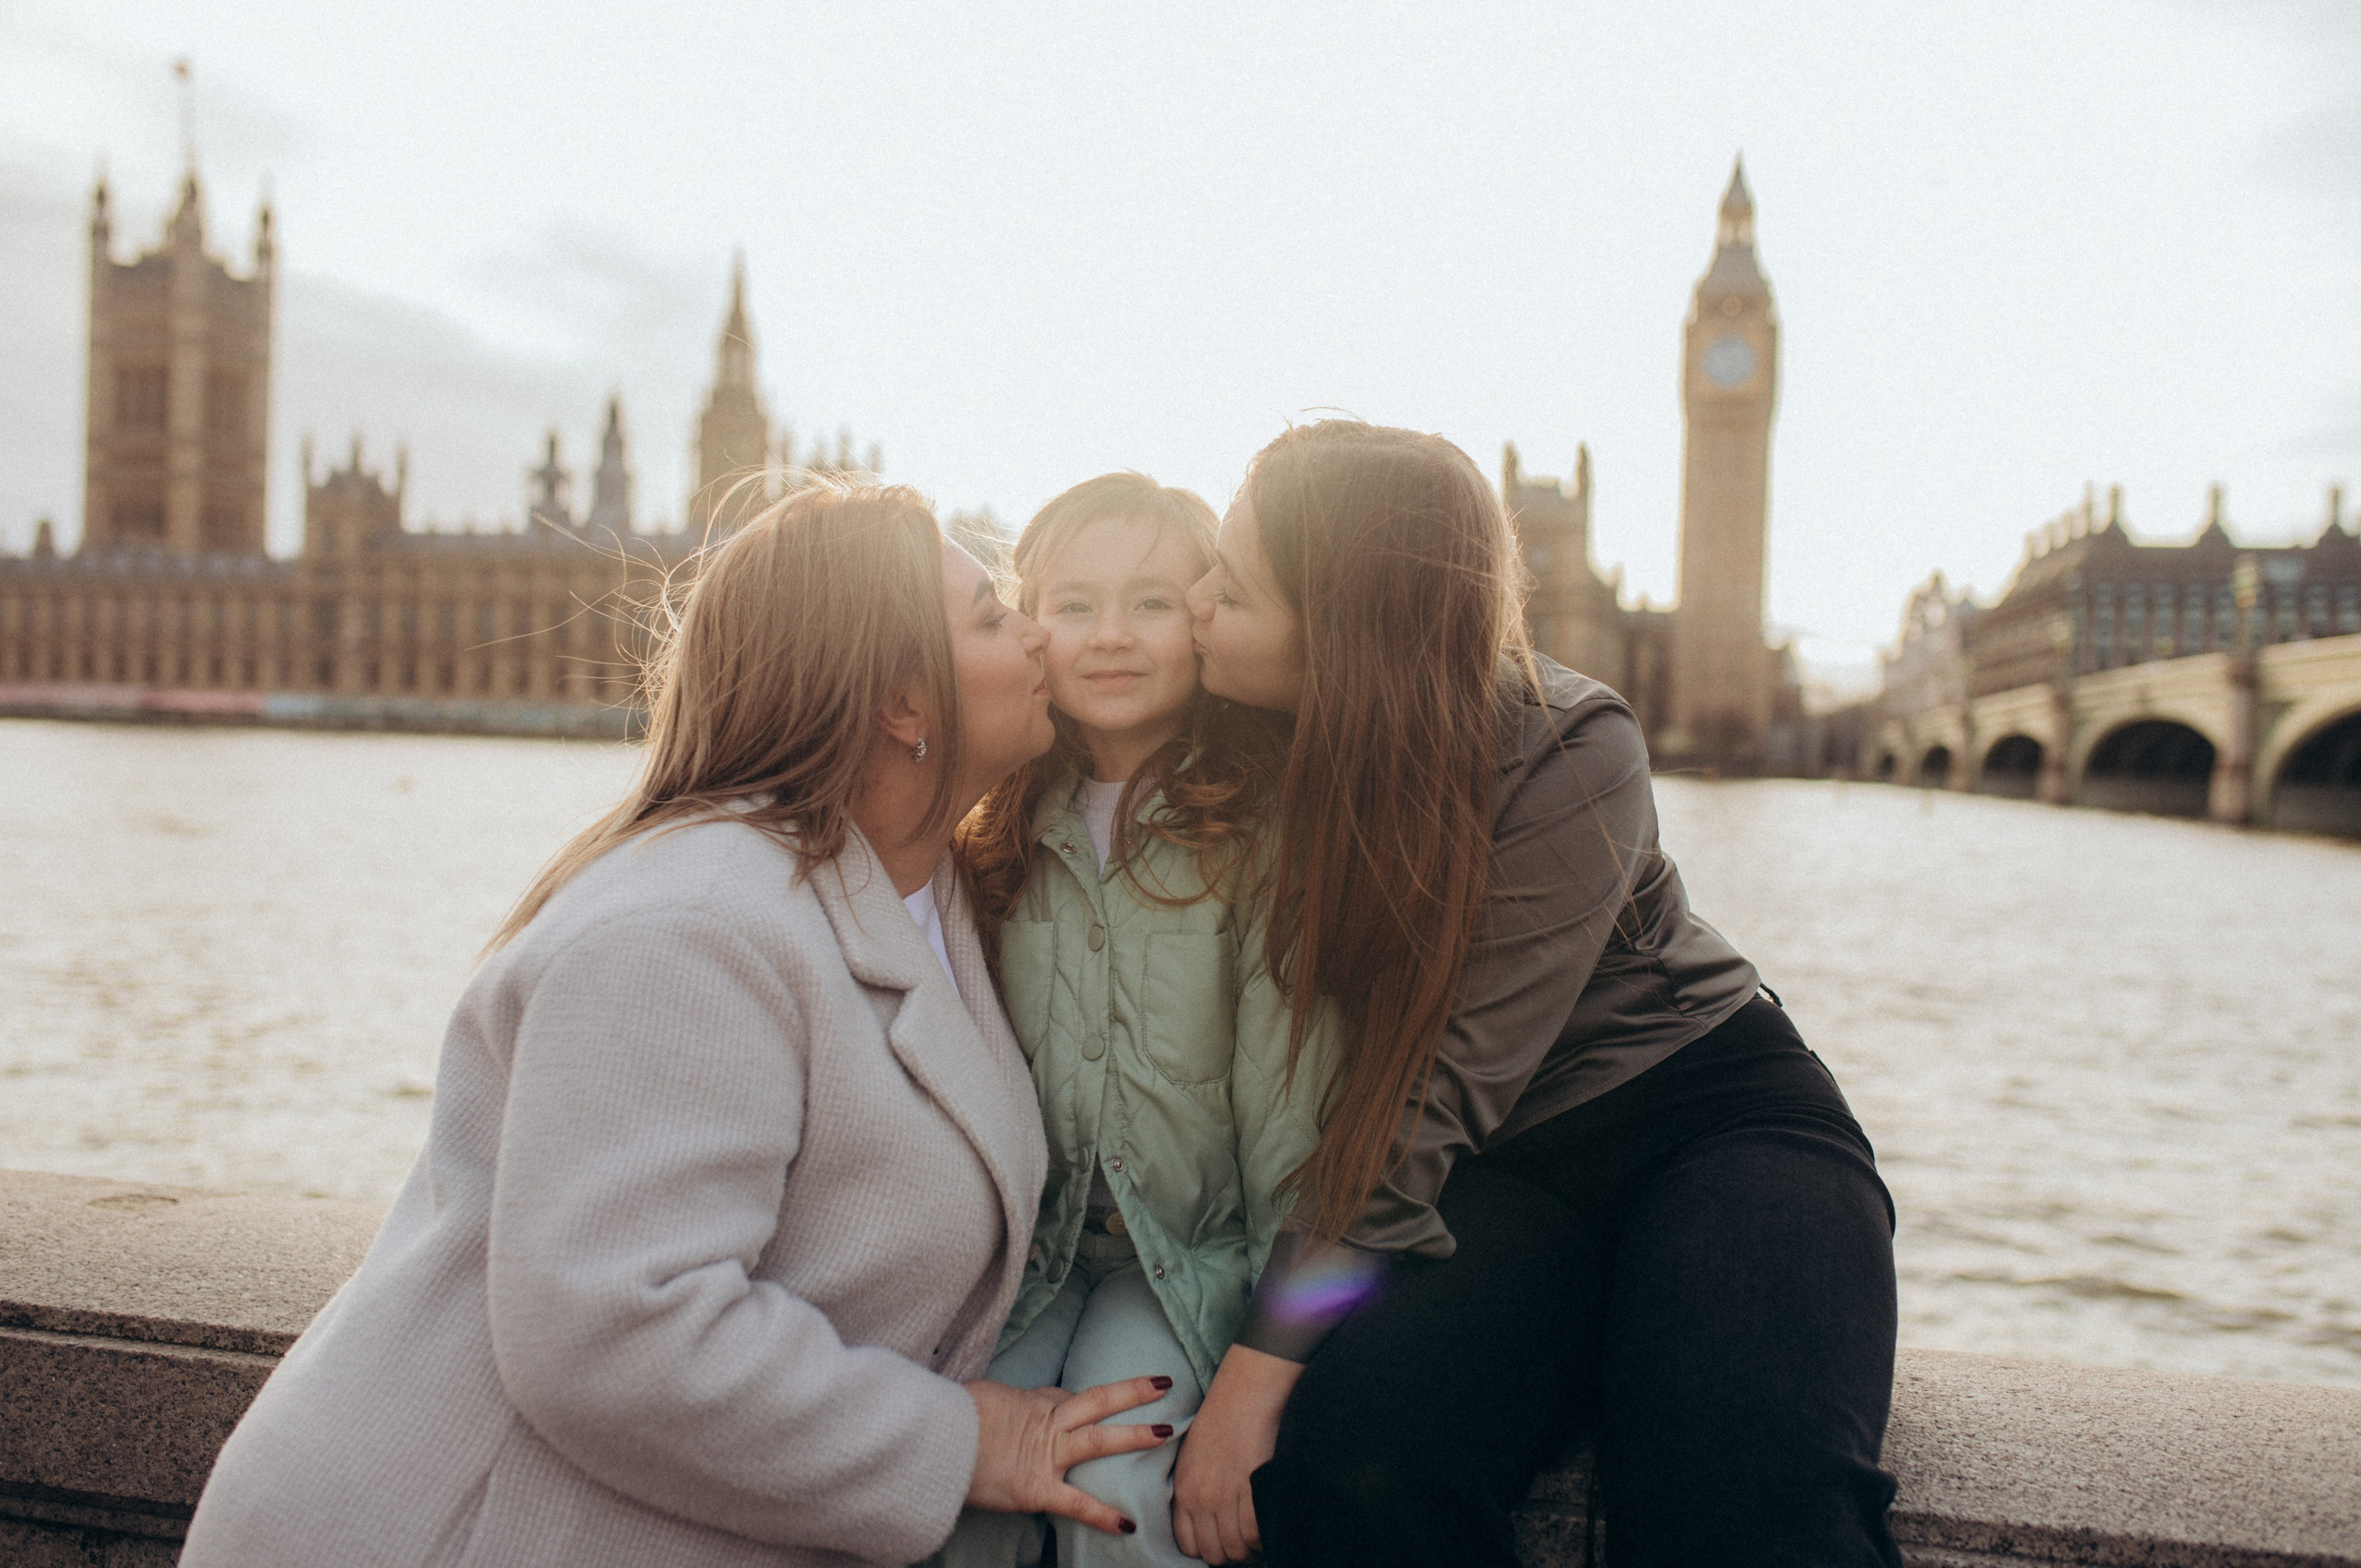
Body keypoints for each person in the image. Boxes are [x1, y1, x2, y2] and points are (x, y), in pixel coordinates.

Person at [182, 482, 1174, 1568]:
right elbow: (614, 1332)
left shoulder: (930, 899)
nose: (1039, 633)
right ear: (902, 701)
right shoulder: (690, 926)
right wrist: (960, 1442)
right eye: (992, 616)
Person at [1169, 422, 1904, 1567]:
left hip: (1709, 1121)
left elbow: (1432, 1083)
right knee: (1356, 1468)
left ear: (1342, 628)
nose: (1194, 602)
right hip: (1504, 1172)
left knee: (1741, 1498)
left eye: (1232, 587)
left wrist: (1253, 1376)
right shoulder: (1239, 734)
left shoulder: (1569, 741)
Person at [940, 474, 1329, 1568]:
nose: (1111, 637)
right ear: (1030, 630)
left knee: (1115, 1482)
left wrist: (1275, 1344)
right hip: (1037, 1254)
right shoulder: (994, 830)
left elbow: (1297, 1117)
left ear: (1205, 621)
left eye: (1152, 602)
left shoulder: (1266, 837)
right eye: (1073, 606)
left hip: (1191, 1257)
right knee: (960, 1483)